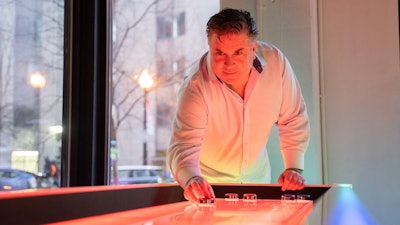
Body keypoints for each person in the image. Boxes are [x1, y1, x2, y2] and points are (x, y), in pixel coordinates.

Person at [167, 8, 310, 203]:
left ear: (253, 48)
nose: (229, 63)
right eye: (219, 53)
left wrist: (293, 167)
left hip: (259, 184)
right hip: (209, 190)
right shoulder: (195, 87)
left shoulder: (276, 64)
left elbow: (293, 117)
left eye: (238, 52)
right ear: (210, 47)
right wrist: (192, 179)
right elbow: (183, 147)